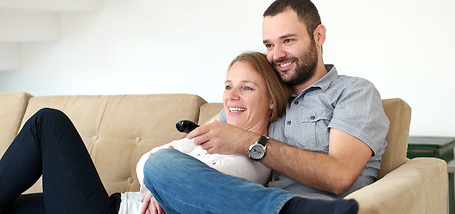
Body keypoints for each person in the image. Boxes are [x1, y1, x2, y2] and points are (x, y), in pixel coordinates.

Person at [141, 0, 389, 213]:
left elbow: (339, 176)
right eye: (269, 45)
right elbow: (189, 144)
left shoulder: (354, 92)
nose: (276, 55)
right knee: (161, 164)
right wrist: (162, 188)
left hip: (322, 204)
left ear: (319, 35)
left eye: (288, 41)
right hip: (235, 207)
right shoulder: (263, 97)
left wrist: (249, 143)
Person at [0, 51, 290, 213]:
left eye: (247, 88)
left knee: (47, 122)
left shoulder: (250, 164)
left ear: (272, 100)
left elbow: (173, 179)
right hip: (115, 203)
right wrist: (158, 182)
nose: (232, 95)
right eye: (228, 86)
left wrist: (162, 179)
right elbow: (150, 161)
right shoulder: (217, 134)